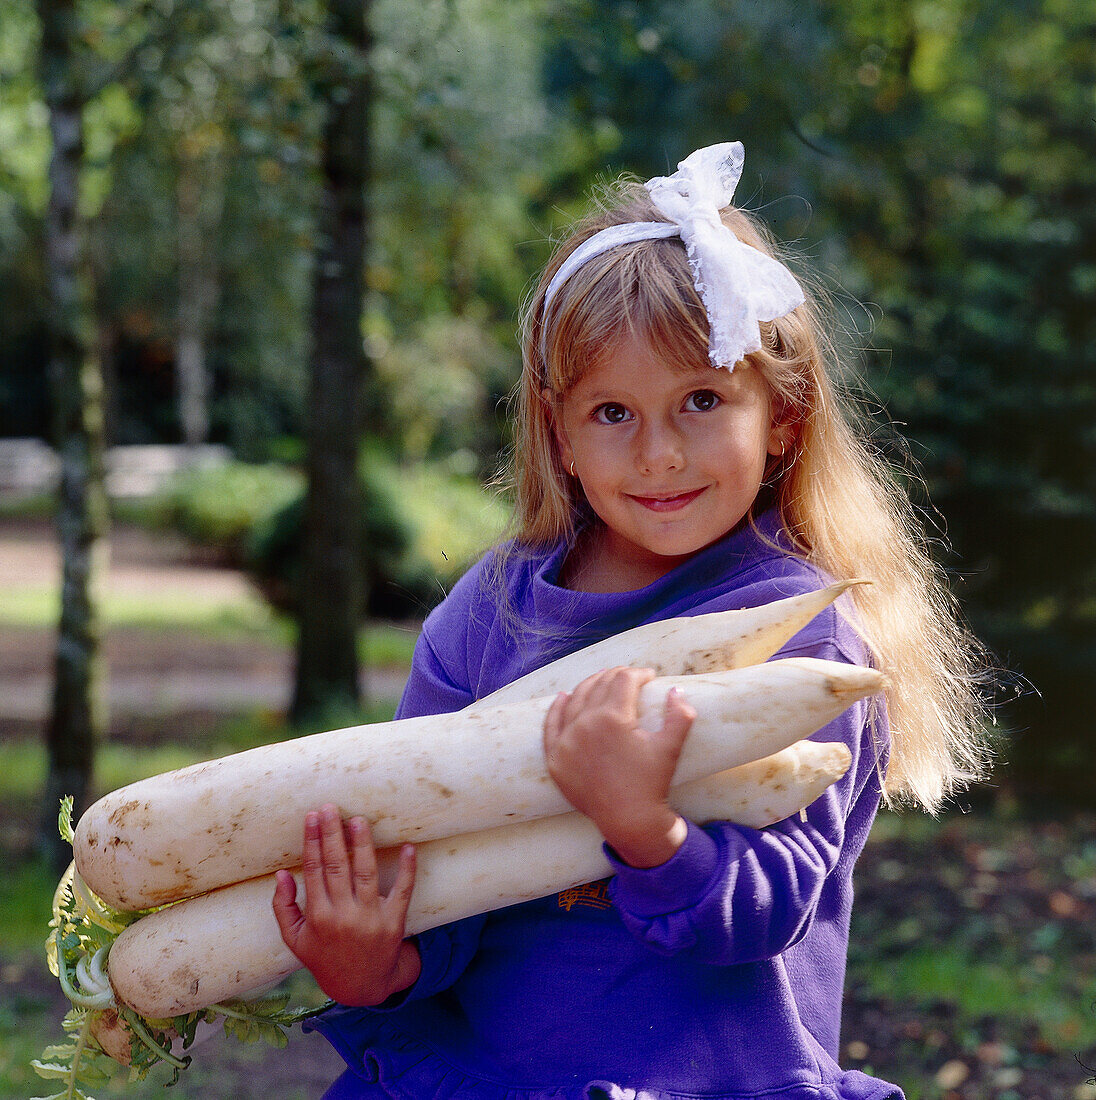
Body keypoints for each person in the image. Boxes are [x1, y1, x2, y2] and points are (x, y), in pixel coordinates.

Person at [271, 142, 990, 1099]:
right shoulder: (485, 619)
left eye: (701, 401)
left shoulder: (796, 632)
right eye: (613, 411)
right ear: (558, 432)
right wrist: (376, 966)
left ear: (783, 416)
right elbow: (435, 876)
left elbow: (768, 909)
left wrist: (640, 825)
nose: (658, 454)